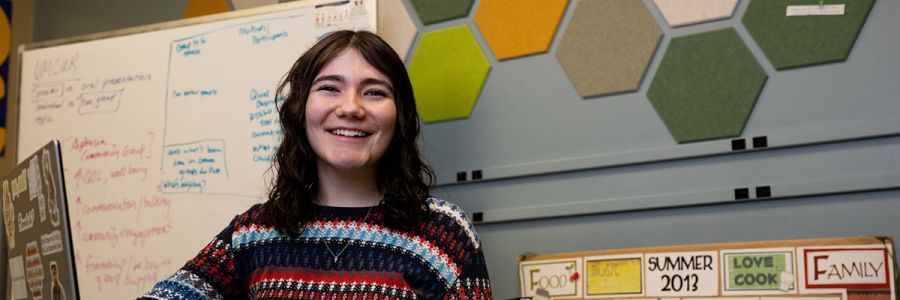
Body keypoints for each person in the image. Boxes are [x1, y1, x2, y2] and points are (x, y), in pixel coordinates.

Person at [141, 30, 493, 299]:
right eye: (329, 88)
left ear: (399, 117)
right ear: (300, 110)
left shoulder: (445, 233)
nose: (351, 108)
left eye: (374, 92)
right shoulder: (253, 233)